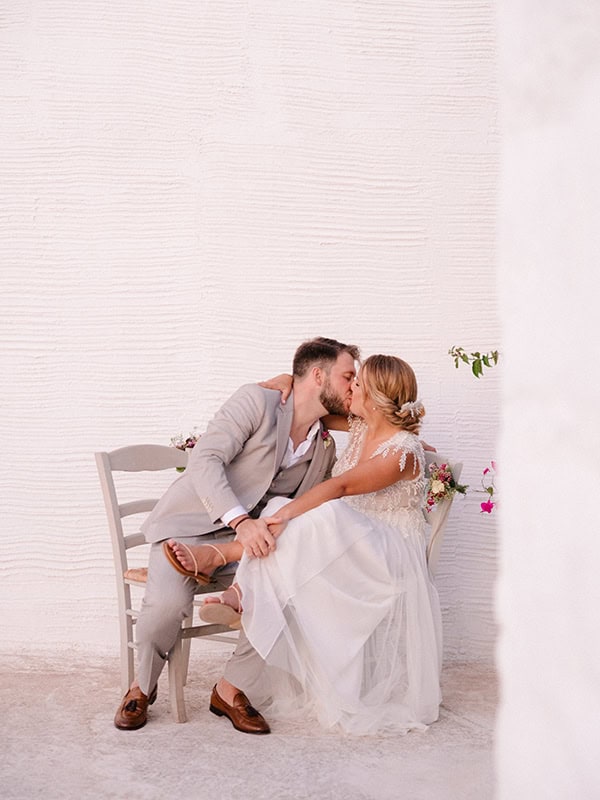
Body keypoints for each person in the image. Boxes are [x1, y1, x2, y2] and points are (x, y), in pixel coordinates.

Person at [166, 355, 443, 735]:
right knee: (287, 507)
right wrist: (287, 381)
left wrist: (282, 519)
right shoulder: (360, 424)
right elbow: (305, 407)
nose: (350, 388)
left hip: (387, 553)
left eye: (357, 384)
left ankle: (225, 564)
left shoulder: (402, 451)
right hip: (351, 541)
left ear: (377, 398)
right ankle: (239, 591)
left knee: (318, 513)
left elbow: (340, 488)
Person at [113, 336, 360, 731]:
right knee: (164, 609)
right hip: (189, 530)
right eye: (349, 376)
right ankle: (142, 686)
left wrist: (397, 434)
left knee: (296, 590)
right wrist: (241, 522)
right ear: (318, 375)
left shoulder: (324, 448)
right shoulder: (256, 402)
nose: (354, 386)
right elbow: (205, 460)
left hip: (250, 551)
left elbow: (309, 505)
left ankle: (230, 689)